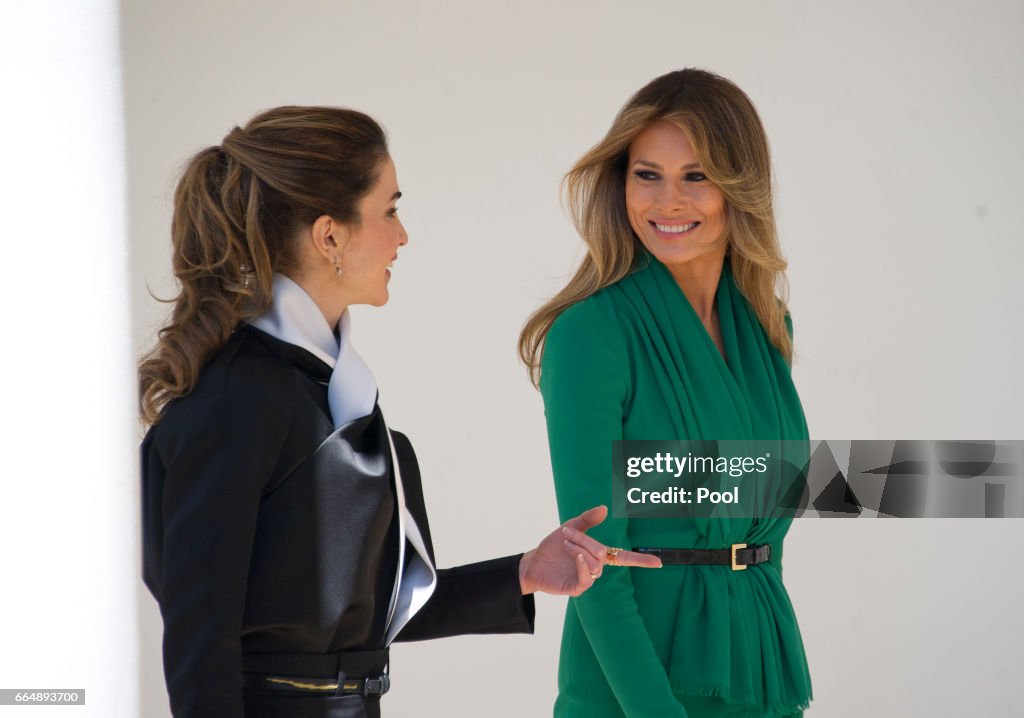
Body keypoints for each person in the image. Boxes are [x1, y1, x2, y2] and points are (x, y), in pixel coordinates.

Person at [138, 106, 661, 718]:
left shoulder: (337, 395)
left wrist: (525, 571)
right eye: (390, 210)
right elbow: (201, 650)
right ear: (330, 235)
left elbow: (379, 616)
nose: (403, 235)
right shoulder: (240, 401)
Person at [518, 69, 814, 717]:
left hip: (758, 673)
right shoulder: (592, 333)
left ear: (741, 186)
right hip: (638, 688)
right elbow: (594, 564)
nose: (667, 202)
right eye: (646, 174)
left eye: (696, 176)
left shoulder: (767, 327)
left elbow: (766, 531)